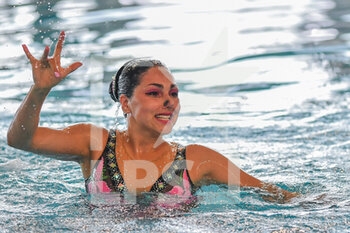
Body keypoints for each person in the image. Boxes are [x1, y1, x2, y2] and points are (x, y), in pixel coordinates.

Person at [7, 31, 298, 204]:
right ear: (126, 103)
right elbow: (21, 140)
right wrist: (39, 90)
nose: (169, 102)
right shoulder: (94, 144)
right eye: (155, 93)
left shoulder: (195, 160)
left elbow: (274, 195)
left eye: (173, 94)